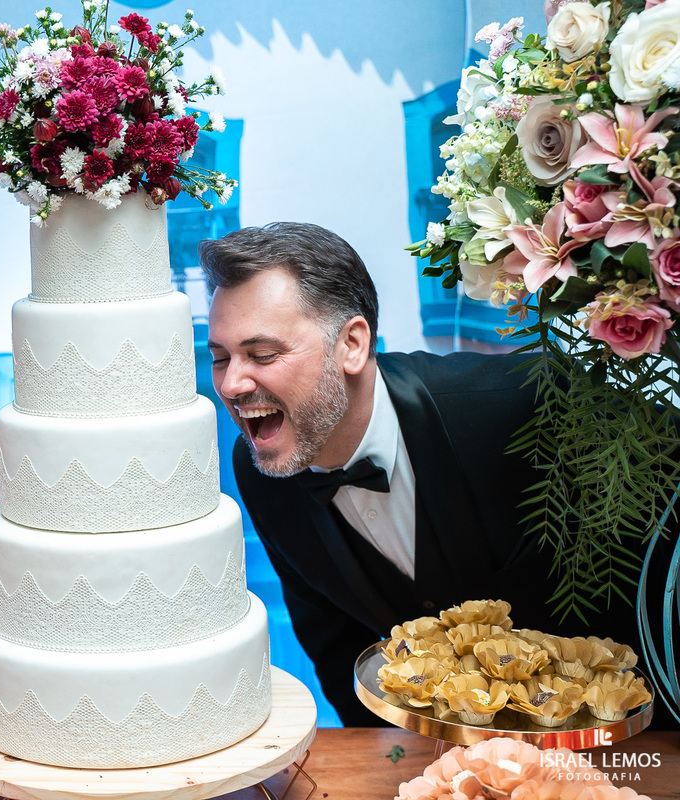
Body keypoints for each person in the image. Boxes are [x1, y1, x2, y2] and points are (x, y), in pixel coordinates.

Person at [201, 222, 670, 727]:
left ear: (352, 344)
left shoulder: (521, 405)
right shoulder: (259, 468)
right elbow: (332, 638)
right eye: (220, 358)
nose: (231, 384)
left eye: (262, 354)